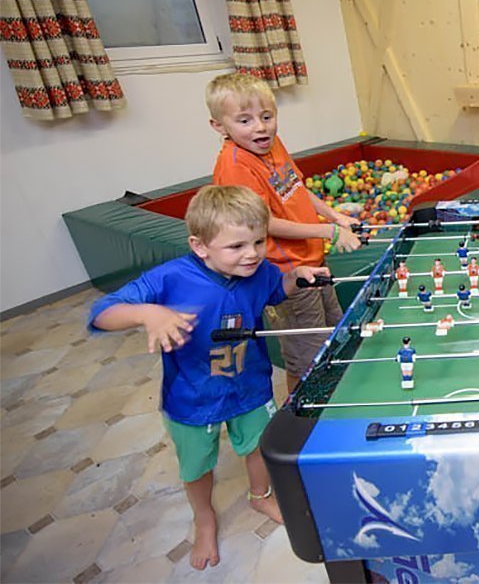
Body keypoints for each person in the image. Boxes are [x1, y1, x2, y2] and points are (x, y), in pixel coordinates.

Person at [87, 185, 329, 571]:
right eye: (236, 247)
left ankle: (260, 494)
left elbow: (273, 290)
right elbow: (102, 312)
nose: (251, 253)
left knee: (257, 446)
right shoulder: (170, 278)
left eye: (259, 241)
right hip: (192, 397)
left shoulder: (259, 269)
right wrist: (148, 314)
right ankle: (204, 518)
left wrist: (296, 277)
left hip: (250, 386)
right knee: (197, 465)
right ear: (200, 246)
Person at [207, 72, 360, 394]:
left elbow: (296, 188)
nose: (260, 127)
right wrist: (329, 230)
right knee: (307, 354)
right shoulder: (236, 165)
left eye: (266, 117)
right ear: (220, 126)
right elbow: (262, 223)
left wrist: (334, 215)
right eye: (245, 120)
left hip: (312, 259)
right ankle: (301, 419)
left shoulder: (273, 144)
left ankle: (331, 395)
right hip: (285, 273)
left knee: (332, 330)